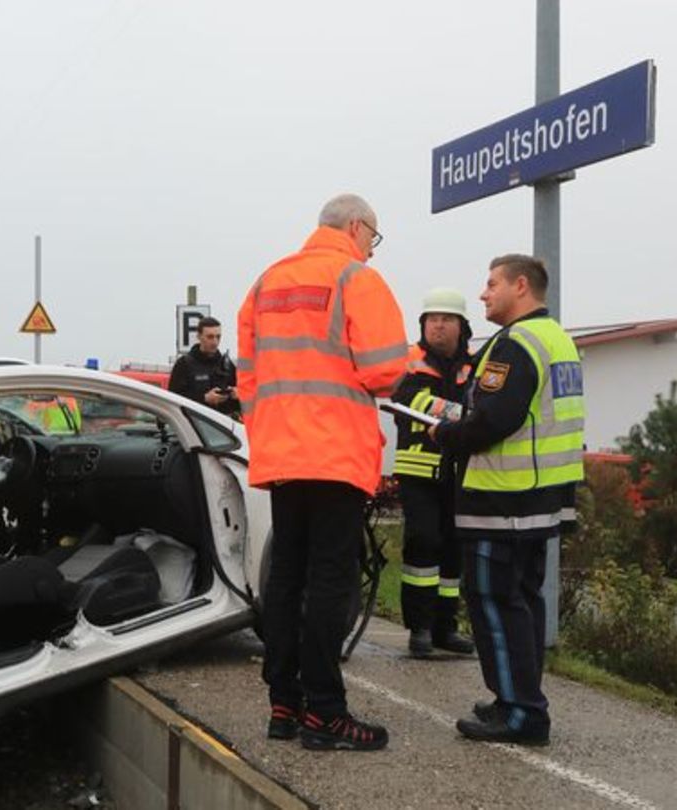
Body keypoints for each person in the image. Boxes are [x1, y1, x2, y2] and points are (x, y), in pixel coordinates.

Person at [236, 193, 408, 751]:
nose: (372, 251)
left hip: (281, 455)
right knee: (331, 582)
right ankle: (326, 715)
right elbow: (385, 370)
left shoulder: (266, 283)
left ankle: (284, 705)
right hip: (334, 456)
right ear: (356, 227)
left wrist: (271, 426)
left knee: (285, 578)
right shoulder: (355, 279)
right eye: (373, 238)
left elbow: (247, 376)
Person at [430, 254, 584, 746]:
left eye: (492, 283)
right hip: (542, 498)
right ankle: (517, 698)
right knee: (523, 601)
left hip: (503, 499)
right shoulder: (557, 337)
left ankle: (520, 712)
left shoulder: (514, 343)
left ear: (521, 286)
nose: (483, 294)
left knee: (494, 601)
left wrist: (445, 434)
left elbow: (494, 420)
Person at [390, 288, 477, 658]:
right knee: (423, 544)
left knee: (453, 550)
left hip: (458, 471)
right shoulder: (411, 360)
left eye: (446, 319)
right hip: (418, 470)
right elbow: (407, 400)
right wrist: (461, 413)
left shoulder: (474, 363)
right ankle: (419, 629)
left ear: (461, 326)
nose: (437, 325)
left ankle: (445, 627)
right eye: (432, 319)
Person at [168, 316, 241, 417]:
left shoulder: (227, 365)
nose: (215, 342)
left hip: (223, 426)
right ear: (199, 336)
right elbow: (173, 400)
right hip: (194, 426)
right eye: (210, 337)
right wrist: (204, 398)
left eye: (218, 337)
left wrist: (238, 395)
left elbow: (246, 402)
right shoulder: (184, 364)